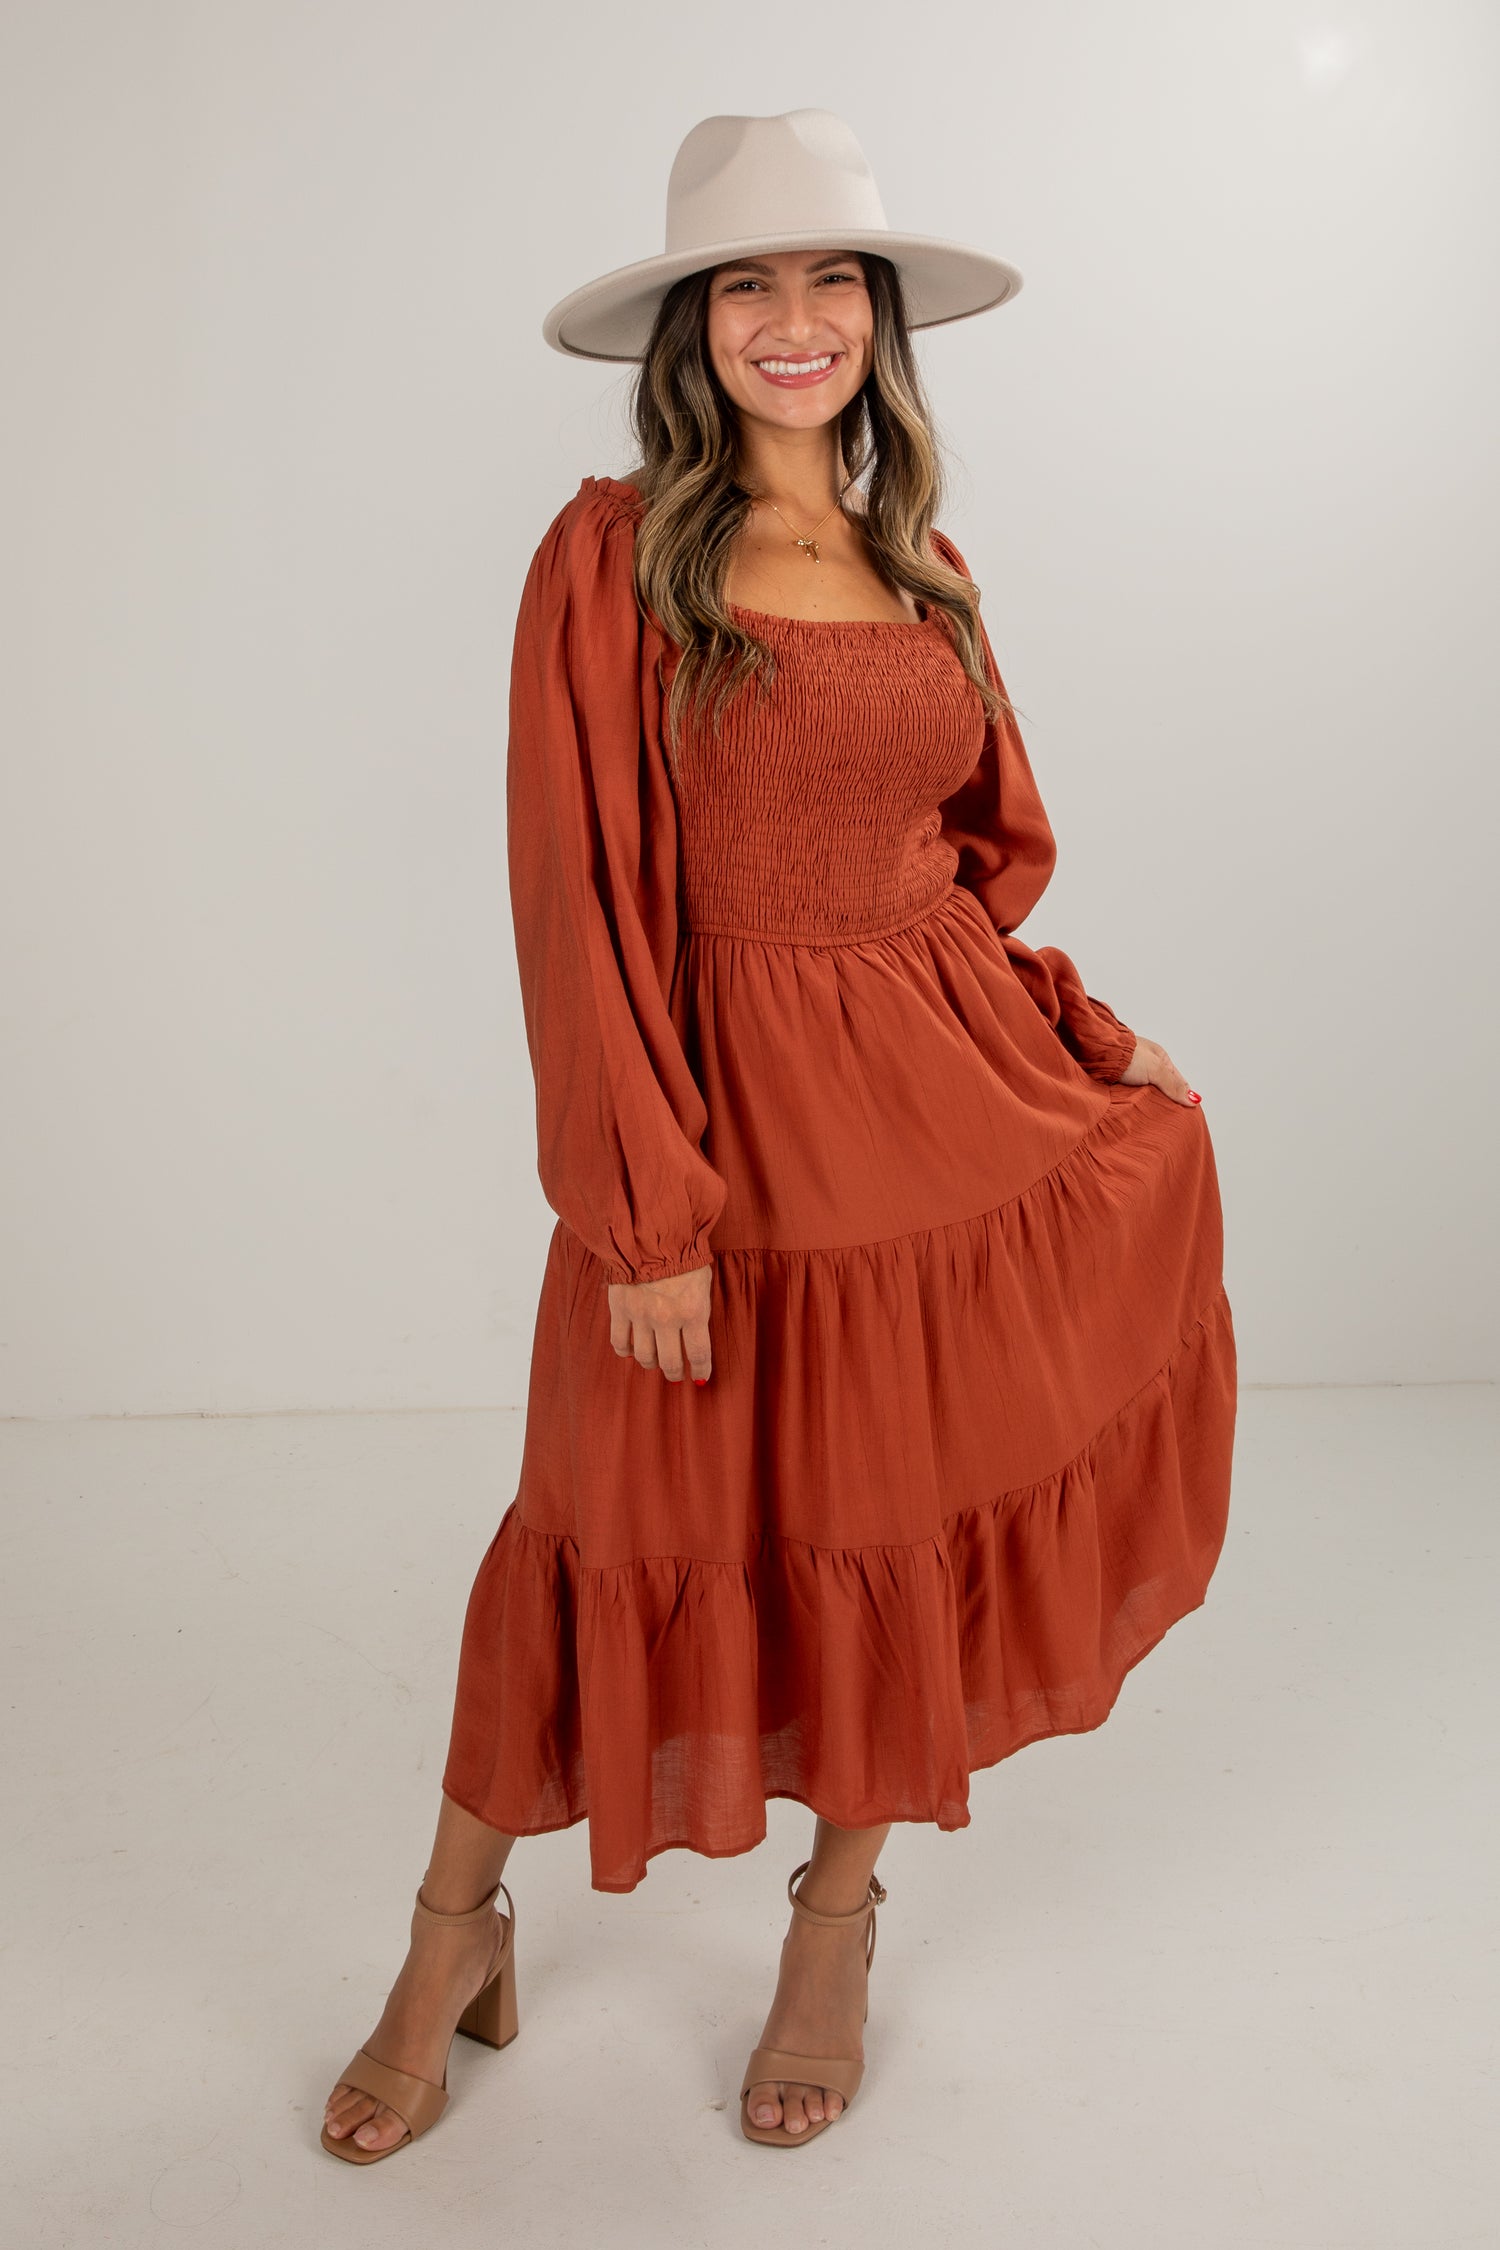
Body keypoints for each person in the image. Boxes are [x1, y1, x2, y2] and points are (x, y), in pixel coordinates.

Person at [320, 107, 1237, 2165]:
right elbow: (579, 906)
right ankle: (447, 1938)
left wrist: (1083, 1039)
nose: (795, 320)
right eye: (750, 284)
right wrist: (644, 1208)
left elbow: (967, 867)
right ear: (694, 328)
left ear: (882, 321)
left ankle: (835, 1923)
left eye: (832, 282)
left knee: (884, 1526)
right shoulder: (612, 551)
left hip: (934, 1120)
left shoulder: (930, 562)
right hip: (718, 1141)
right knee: (604, 1524)